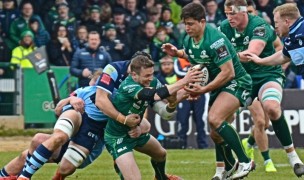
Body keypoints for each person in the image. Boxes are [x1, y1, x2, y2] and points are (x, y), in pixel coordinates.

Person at [162, 2, 255, 180]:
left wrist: (203, 89)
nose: (186, 28)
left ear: (202, 22)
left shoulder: (215, 40)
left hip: (237, 81)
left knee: (214, 118)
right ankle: (225, 168)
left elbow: (229, 72)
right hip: (219, 84)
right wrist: (178, 53)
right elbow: (196, 54)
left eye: (190, 24)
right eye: (185, 24)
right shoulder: (188, 39)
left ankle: (244, 161)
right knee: (215, 132)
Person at [0, 70, 149, 180]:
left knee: (66, 166)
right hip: (67, 140)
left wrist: (138, 128)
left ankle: (53, 177)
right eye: (93, 83)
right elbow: (58, 110)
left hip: (86, 149)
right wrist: (69, 100)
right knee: (36, 142)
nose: (92, 85)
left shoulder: (118, 103)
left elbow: (145, 124)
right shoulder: (84, 92)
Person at [219, 0, 304, 178]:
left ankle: (290, 158)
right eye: (226, 13)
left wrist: (221, 54)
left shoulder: (260, 26)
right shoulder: (224, 28)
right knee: (218, 119)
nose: (228, 17)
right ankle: (227, 167)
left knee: (268, 113)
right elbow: (283, 54)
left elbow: (253, 53)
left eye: (232, 13)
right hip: (244, 79)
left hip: (267, 76)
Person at [104, 52, 201, 180]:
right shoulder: (128, 86)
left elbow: (166, 112)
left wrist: (182, 95)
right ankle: (121, 162)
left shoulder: (152, 81)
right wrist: (184, 81)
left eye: (152, 74)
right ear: (134, 75)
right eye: (147, 75)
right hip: (118, 137)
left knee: (160, 154)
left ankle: (161, 178)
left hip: (137, 132)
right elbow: (155, 95)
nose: (151, 78)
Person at [246, 3, 304, 79]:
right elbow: (283, 56)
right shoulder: (290, 39)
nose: (275, 26)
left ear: (286, 22)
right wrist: (260, 60)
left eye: (276, 22)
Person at [174, 57, 208, 149]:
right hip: (184, 93)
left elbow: (207, 73)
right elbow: (178, 72)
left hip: (199, 93)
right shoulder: (179, 60)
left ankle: (203, 146)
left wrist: (190, 74)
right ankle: (181, 145)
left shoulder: (201, 59)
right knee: (182, 120)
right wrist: (195, 73)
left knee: (200, 121)